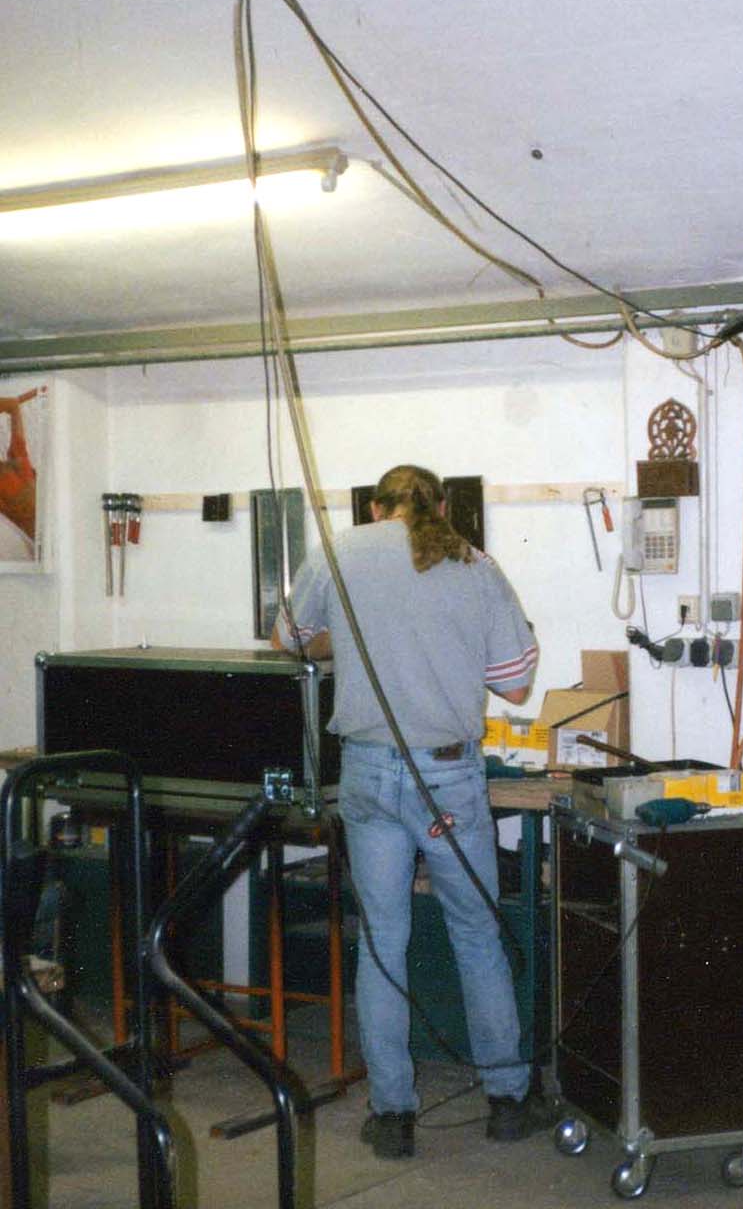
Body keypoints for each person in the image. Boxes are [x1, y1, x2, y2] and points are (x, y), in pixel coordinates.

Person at [271, 464, 551, 1159]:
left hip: (366, 773)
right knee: (477, 936)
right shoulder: (474, 563)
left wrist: (351, 635)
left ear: (374, 508)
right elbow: (516, 684)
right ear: (442, 506)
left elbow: (290, 639)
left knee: (382, 940)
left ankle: (392, 1114)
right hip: (448, 778)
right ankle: (508, 1100)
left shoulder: (339, 550)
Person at [0, 388, 40, 555]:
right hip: (32, 543)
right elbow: (13, 405)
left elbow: (13, 405)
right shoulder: (18, 461)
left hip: (36, 539)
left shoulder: (18, 459)